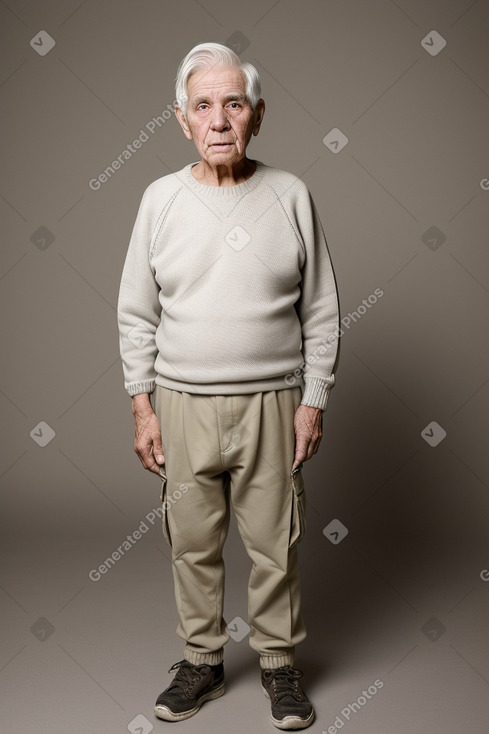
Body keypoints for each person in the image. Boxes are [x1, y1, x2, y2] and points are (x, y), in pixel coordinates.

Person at [117, 41, 340, 731]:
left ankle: (277, 664)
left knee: (276, 542)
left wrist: (313, 398)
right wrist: (143, 406)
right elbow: (135, 311)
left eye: (233, 104)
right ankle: (203, 663)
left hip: (272, 403)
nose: (219, 121)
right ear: (181, 119)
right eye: (203, 106)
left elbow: (322, 309)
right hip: (181, 403)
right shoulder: (159, 200)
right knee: (192, 540)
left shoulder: (291, 194)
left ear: (257, 115)